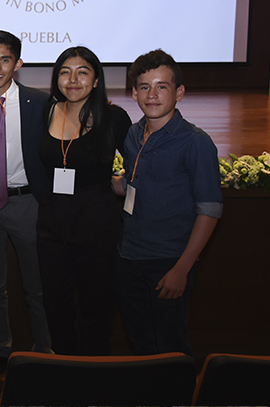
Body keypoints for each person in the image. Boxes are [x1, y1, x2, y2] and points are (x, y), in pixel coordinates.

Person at [115, 49, 222, 356]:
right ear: (134, 93)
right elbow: (133, 183)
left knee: (171, 347)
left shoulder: (196, 143)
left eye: (162, 86)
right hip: (128, 257)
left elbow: (210, 210)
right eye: (145, 87)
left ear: (180, 92)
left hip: (168, 262)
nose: (152, 95)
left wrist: (182, 268)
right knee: (140, 343)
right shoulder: (133, 135)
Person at [36, 46, 132, 355]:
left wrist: (118, 185)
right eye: (65, 72)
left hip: (96, 226)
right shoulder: (49, 110)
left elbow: (139, 166)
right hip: (52, 226)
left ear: (95, 79)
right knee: (57, 307)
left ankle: (95, 380)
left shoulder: (113, 116)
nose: (72, 79)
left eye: (82, 72)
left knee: (97, 309)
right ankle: (65, 375)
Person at [0, 31, 52, 369]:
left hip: (28, 203)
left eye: (5, 59)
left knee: (38, 286)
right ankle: (2, 352)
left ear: (18, 63)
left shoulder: (41, 102)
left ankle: (45, 352)